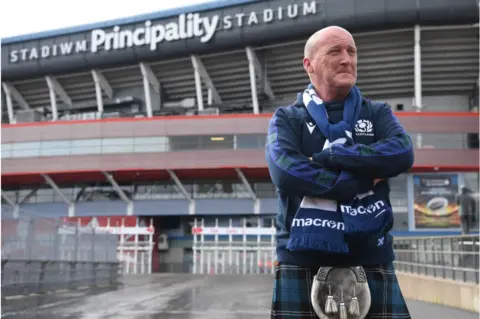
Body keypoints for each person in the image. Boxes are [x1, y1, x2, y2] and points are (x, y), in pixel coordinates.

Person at [266, 26, 414, 318]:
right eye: (335, 51)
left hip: (371, 256)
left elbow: (401, 152)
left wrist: (332, 155)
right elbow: (286, 170)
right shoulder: (287, 118)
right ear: (308, 64)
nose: (347, 59)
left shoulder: (377, 113)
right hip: (302, 259)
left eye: (352, 51)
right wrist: (354, 181)